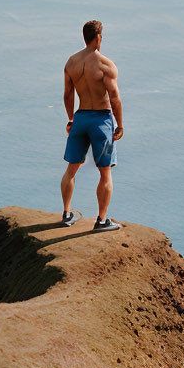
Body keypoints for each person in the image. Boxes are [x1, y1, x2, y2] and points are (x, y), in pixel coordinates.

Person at [60, 20, 123, 231]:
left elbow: (68, 95)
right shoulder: (105, 64)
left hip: (80, 118)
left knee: (71, 169)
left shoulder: (71, 62)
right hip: (100, 120)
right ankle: (102, 220)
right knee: (105, 173)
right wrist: (120, 124)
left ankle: (67, 213)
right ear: (97, 38)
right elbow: (114, 98)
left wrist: (70, 119)